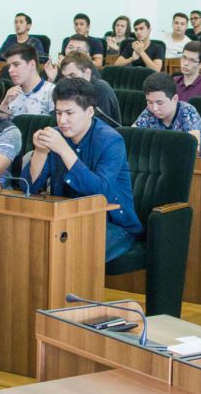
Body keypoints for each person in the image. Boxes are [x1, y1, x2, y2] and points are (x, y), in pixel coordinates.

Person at [24, 77, 141, 262]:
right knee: (28, 243)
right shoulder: (57, 134)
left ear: (89, 112)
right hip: (66, 218)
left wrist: (63, 149)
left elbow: (99, 192)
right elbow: (28, 188)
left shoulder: (111, 141)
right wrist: (39, 152)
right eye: (58, 113)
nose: (62, 120)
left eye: (69, 113)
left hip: (112, 223)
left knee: (71, 251)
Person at [134, 71, 201, 149]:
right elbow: (132, 135)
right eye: (149, 102)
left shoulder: (188, 112)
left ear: (174, 99)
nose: (154, 108)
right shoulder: (149, 112)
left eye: (160, 103)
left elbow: (194, 149)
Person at [54, 50, 121, 128]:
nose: (68, 81)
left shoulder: (101, 88)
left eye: (72, 76)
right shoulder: (68, 89)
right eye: (65, 77)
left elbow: (101, 124)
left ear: (87, 73)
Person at [0, 44, 55, 116]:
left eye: (16, 64)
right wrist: (5, 103)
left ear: (32, 64)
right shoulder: (11, 94)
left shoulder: (52, 92)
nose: (10, 70)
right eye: (9, 66)